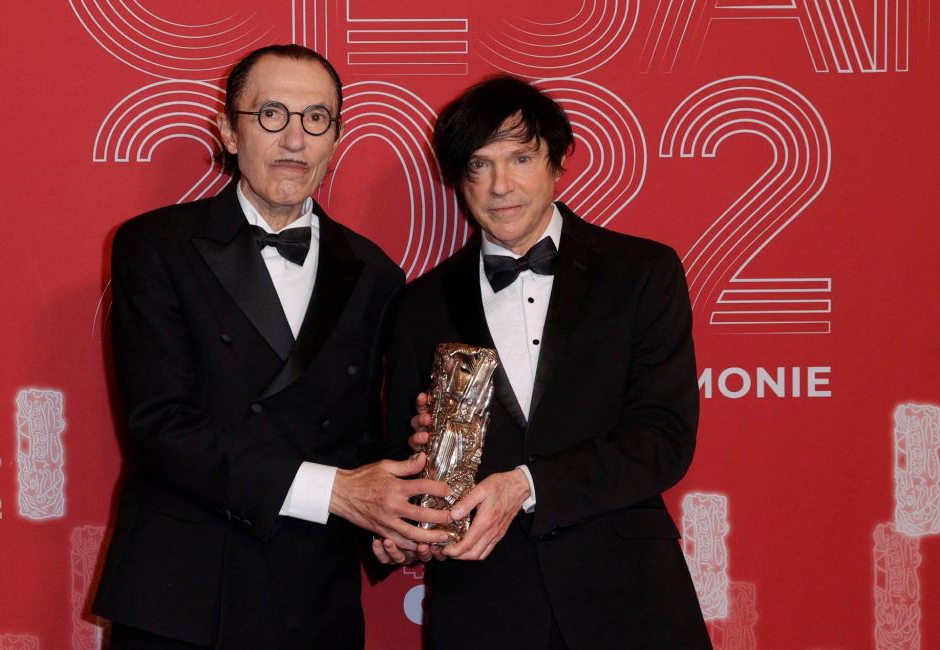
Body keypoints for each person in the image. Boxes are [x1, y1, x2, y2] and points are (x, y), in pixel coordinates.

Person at [92, 44, 451, 650]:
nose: (294, 140)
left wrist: (389, 521)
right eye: (272, 115)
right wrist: (336, 492)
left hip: (313, 596)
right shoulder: (156, 247)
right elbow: (160, 425)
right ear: (229, 131)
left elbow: (359, 435)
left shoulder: (374, 272)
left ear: (335, 139)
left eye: (316, 119)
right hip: (185, 589)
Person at [376, 75, 712, 649]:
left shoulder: (642, 273)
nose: (500, 185)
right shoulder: (419, 305)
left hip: (629, 601)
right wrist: (400, 530)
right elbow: (401, 456)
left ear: (558, 161)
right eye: (479, 165)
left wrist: (526, 486)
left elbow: (664, 438)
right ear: (459, 179)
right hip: (483, 607)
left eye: (521, 157)